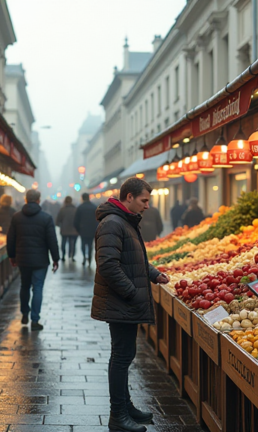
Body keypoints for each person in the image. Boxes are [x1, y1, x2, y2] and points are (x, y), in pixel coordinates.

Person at [92, 177, 169, 432]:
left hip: (124, 301)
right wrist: (132, 292)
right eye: (144, 200)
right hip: (121, 302)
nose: (147, 206)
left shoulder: (125, 221)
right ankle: (118, 416)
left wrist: (154, 274)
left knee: (125, 355)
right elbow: (108, 266)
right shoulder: (113, 223)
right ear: (129, 197)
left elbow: (134, 260)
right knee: (121, 357)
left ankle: (126, 407)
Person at [7, 189, 60, 331]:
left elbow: (10, 239)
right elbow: (52, 240)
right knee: (37, 288)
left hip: (23, 259)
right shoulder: (46, 218)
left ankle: (25, 312)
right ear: (38, 200)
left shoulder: (16, 217)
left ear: (25, 200)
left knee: (24, 286)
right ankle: (35, 320)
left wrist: (11, 256)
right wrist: (56, 258)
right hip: (40, 260)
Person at [73, 193, 98, 265]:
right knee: (90, 244)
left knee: (83, 244)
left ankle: (84, 256)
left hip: (83, 229)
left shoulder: (80, 207)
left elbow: (76, 221)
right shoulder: (94, 207)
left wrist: (78, 229)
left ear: (82, 198)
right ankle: (89, 257)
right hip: (92, 229)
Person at [56, 196, 78, 261]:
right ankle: (72, 255)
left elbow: (58, 219)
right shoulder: (75, 209)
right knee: (72, 243)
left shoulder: (62, 209)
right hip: (74, 230)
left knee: (63, 243)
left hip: (64, 229)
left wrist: (59, 225)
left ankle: (63, 255)